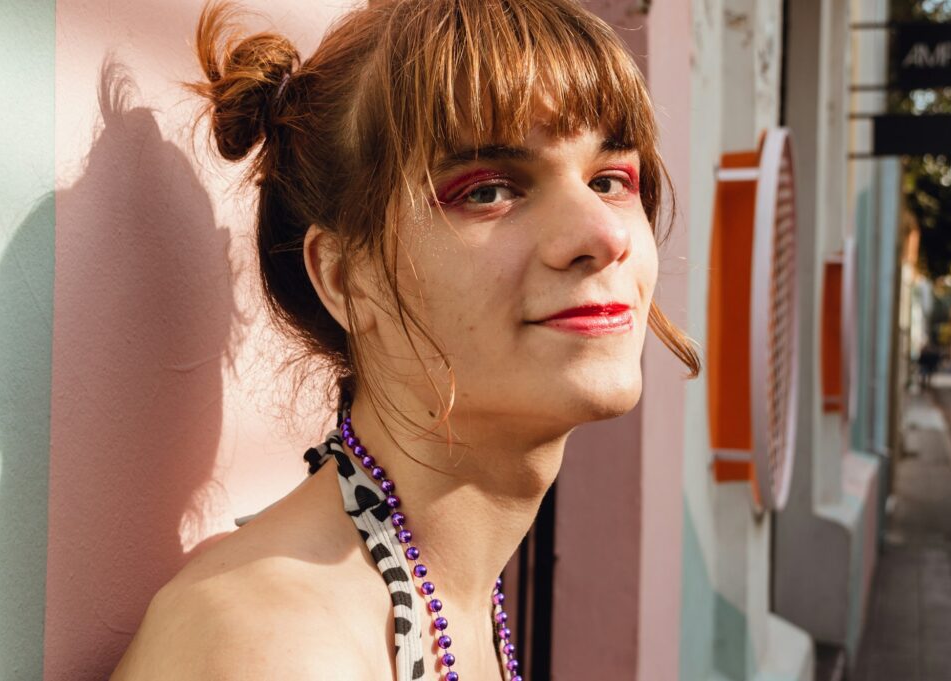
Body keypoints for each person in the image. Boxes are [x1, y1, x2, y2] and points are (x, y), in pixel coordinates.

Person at [110, 1, 699, 679]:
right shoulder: (274, 647)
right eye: (490, 190)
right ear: (346, 278)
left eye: (610, 180)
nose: (605, 234)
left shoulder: (447, 599)